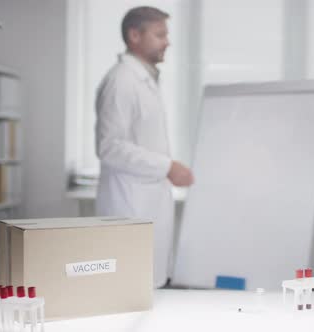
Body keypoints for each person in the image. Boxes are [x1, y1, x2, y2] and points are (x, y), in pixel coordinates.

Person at [95, 6, 193, 288]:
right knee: (130, 291)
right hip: (129, 206)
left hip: (145, 205)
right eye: (160, 34)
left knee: (148, 288)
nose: (167, 42)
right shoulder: (122, 81)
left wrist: (167, 168)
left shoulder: (143, 80)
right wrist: (167, 167)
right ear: (134, 35)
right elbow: (110, 147)